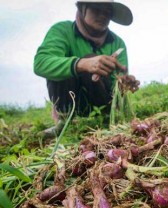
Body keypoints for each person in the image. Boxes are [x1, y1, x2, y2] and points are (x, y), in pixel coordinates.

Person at [34, 0, 136, 138]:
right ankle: (65, 123)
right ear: (83, 8)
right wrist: (82, 64)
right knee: (84, 60)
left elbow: (117, 83)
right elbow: (41, 63)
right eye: (96, 9)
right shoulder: (62, 31)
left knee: (95, 63)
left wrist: (123, 84)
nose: (102, 16)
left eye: (107, 12)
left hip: (102, 103)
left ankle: (103, 120)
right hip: (68, 100)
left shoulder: (117, 43)